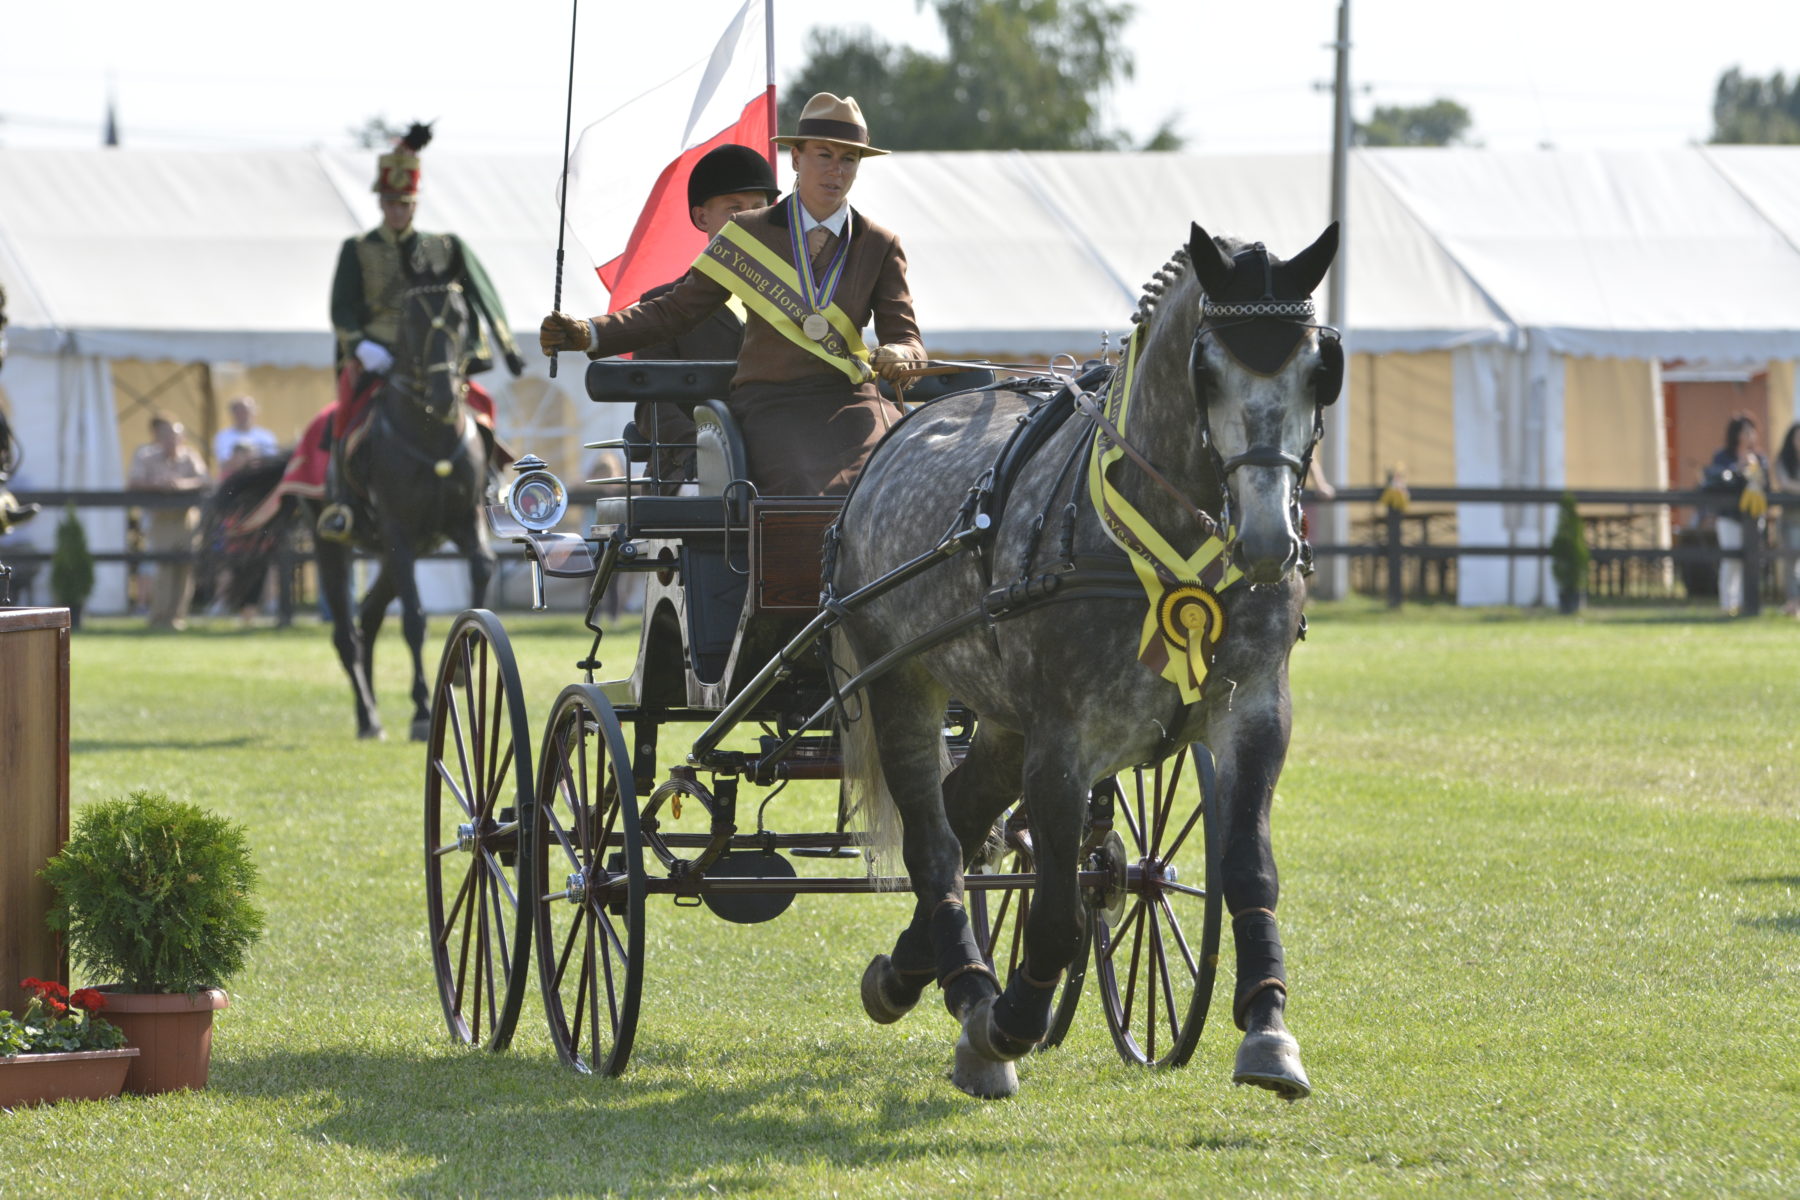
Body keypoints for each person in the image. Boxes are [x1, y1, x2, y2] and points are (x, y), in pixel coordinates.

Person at [540, 92, 926, 496]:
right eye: (823, 155)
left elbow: (906, 337)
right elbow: (674, 311)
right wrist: (590, 332)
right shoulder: (746, 233)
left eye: (848, 159)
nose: (836, 170)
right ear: (796, 158)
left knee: (911, 475)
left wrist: (902, 355)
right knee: (806, 490)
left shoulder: (879, 244)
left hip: (852, 400)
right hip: (773, 405)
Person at [319, 121, 524, 541]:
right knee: (345, 415)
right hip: (377, 354)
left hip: (433, 355)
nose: (398, 210)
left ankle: (488, 485)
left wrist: (506, 345)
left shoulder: (443, 246)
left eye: (405, 203)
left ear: (415, 204)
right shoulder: (356, 249)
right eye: (391, 202)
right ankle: (345, 502)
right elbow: (342, 310)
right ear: (381, 202)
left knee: (481, 409)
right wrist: (362, 346)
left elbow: (481, 293)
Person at [632, 144, 778, 492]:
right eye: (734, 209)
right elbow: (652, 407)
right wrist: (696, 450)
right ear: (702, 218)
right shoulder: (660, 304)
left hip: (781, 459)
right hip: (690, 468)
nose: (749, 219)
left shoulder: (794, 302)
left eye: (760, 208)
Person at [128, 413, 209, 629]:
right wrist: (158, 485)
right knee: (163, 568)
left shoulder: (190, 456)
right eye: (166, 436)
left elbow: (204, 480)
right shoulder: (146, 456)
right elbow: (134, 481)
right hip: (160, 518)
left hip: (186, 518)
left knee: (185, 568)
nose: (171, 440)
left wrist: (181, 484)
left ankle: (177, 617)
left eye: (175, 436)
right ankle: (159, 617)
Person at [1704, 413, 1769, 616]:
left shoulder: (1759, 459)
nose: (1750, 435)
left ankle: (1745, 604)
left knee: (1750, 561)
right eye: (1745, 431)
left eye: (1752, 431)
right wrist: (1736, 469)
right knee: (1730, 560)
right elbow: (1716, 481)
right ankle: (1727, 604)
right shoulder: (1723, 457)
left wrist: (1754, 471)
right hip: (1729, 516)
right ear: (1736, 434)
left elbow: (1767, 486)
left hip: (1753, 516)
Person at [212, 395, 280, 479]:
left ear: (254, 412)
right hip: (233, 479)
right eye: (239, 411)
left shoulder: (266, 436)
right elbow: (224, 463)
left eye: (246, 411)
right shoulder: (223, 437)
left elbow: (273, 461)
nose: (243, 415)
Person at [1773, 421, 1800, 617]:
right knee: (1790, 563)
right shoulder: (1783, 460)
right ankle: (1793, 603)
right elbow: (1784, 483)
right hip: (1790, 520)